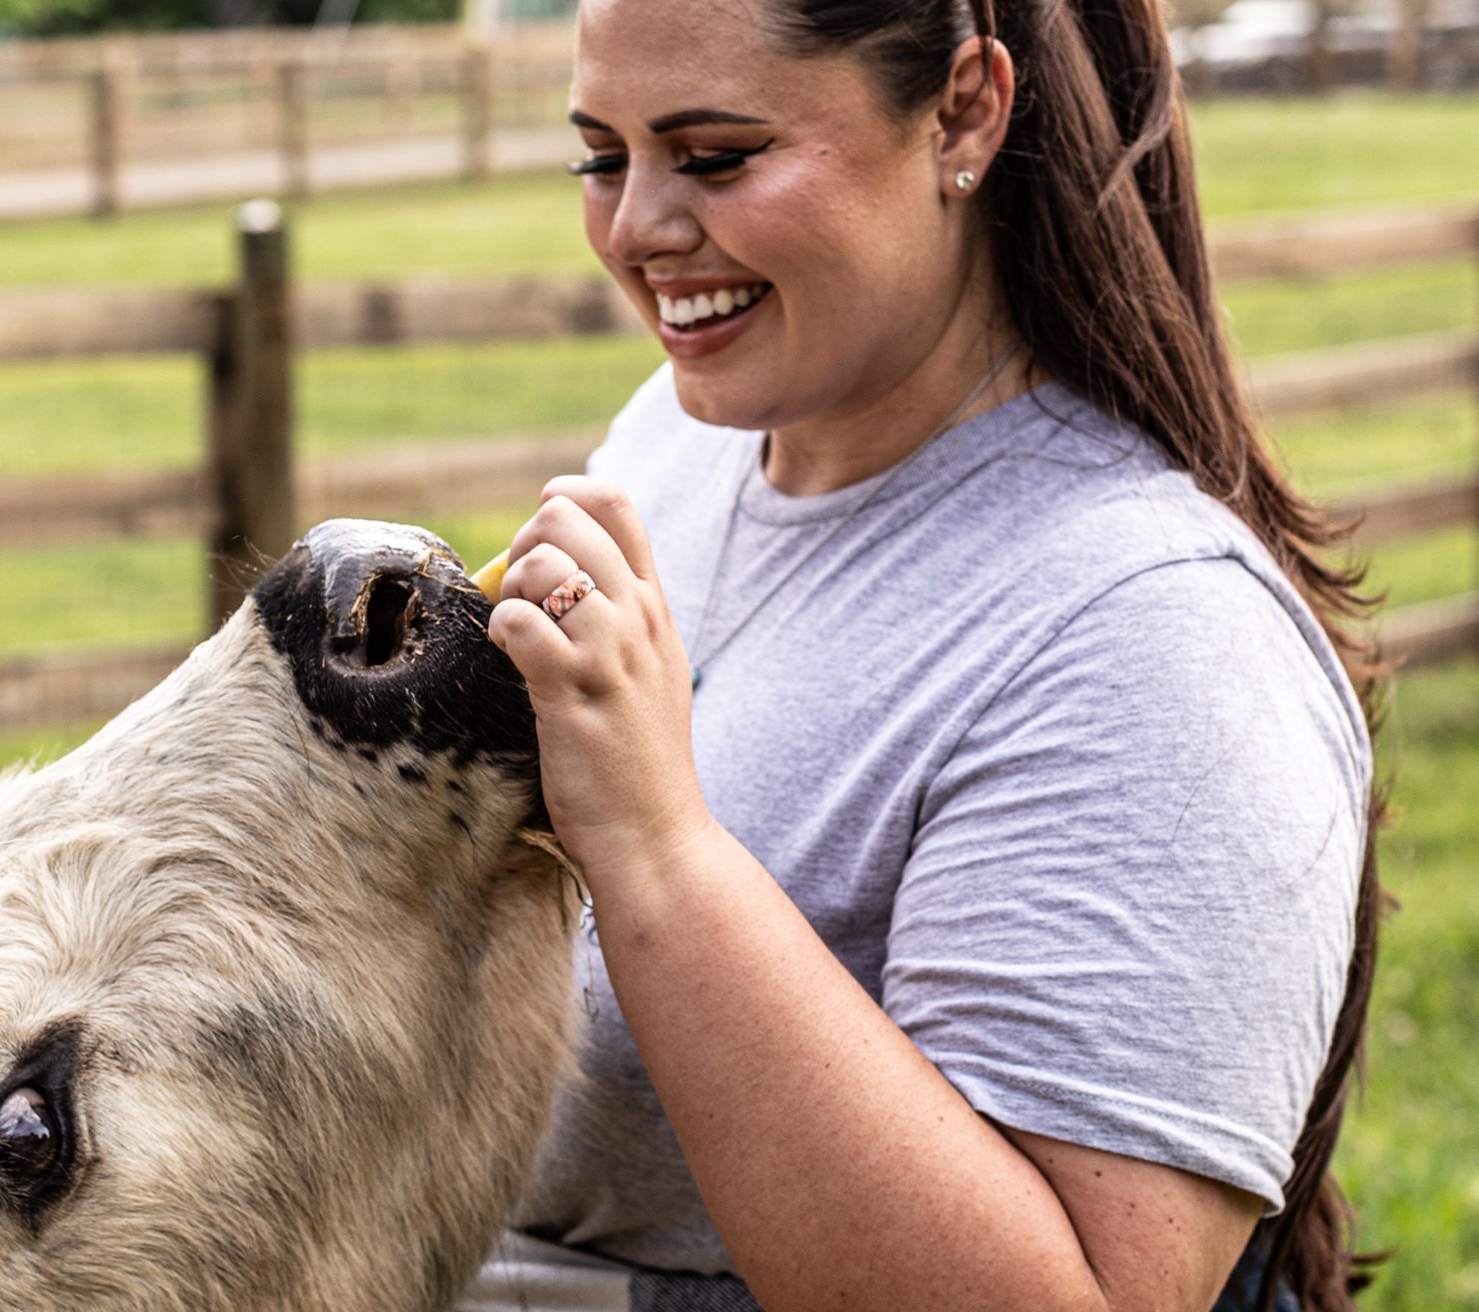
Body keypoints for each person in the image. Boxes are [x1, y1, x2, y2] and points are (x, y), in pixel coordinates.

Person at [451, 0, 1385, 1308]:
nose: (634, 228)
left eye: (712, 154)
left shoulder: (1154, 633)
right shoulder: (684, 438)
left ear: (961, 111)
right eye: (599, 157)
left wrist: (658, 851)